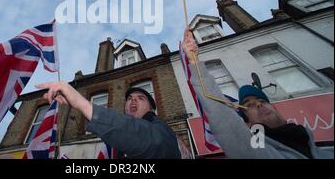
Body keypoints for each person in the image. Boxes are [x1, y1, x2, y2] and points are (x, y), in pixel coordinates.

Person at [182, 27, 334, 159]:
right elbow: (224, 118)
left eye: (262, 102)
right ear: (247, 123)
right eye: (251, 105)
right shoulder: (255, 151)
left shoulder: (327, 151)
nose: (260, 105)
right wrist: (195, 63)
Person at [36, 81, 181, 159]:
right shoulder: (114, 144)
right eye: (129, 99)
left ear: (151, 108)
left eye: (140, 98)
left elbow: (150, 140)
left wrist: (81, 103)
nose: (133, 101)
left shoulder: (161, 129)